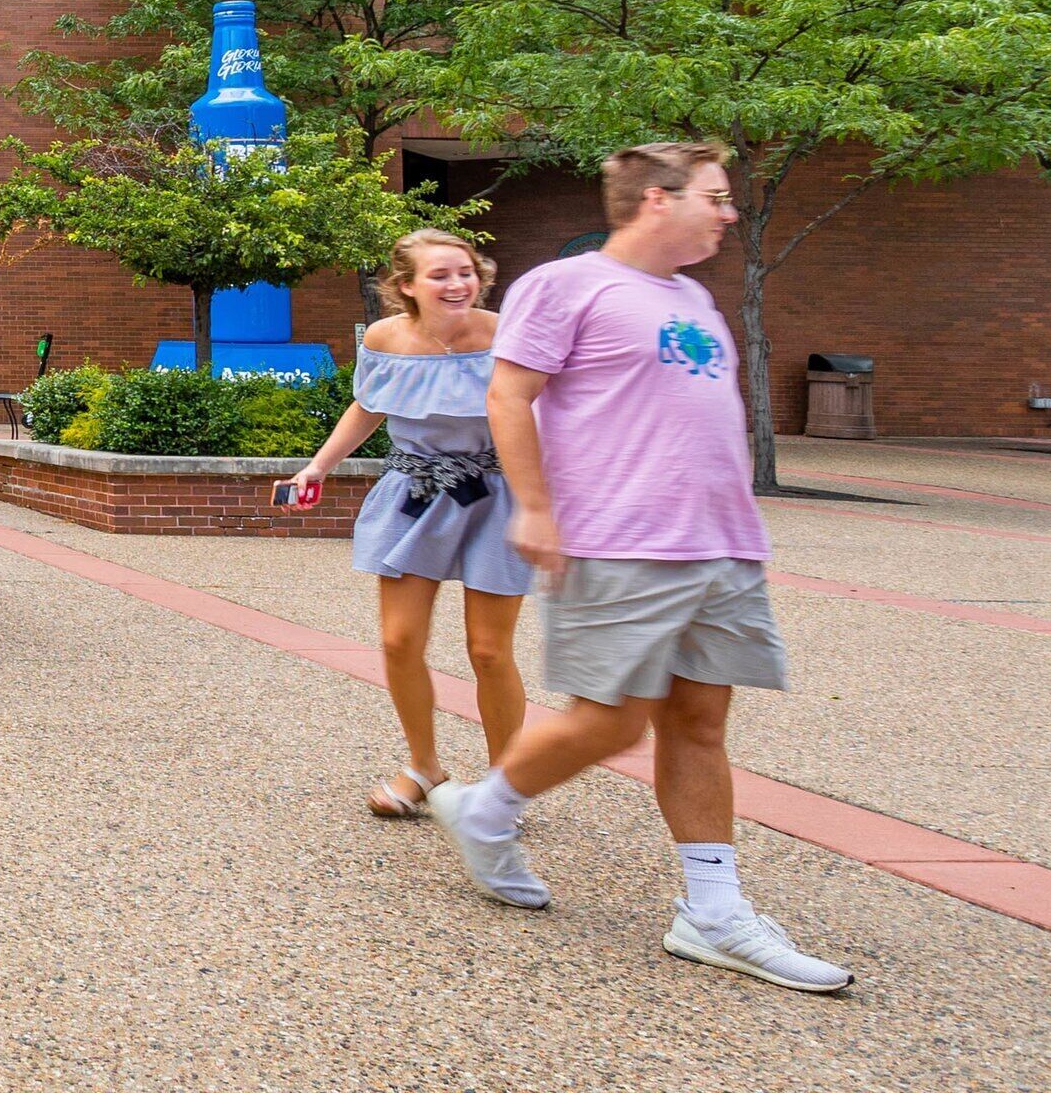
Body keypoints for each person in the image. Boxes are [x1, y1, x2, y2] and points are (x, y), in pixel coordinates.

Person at [428, 143, 852, 994]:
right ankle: (488, 808)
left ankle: (712, 913)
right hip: (621, 536)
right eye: (717, 198)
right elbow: (509, 396)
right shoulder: (566, 284)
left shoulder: (691, 294)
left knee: (699, 721)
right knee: (611, 722)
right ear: (657, 199)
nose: (730, 214)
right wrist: (538, 509)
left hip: (720, 541)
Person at [286, 228, 529, 821]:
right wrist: (319, 465)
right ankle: (425, 766)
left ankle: (504, 787)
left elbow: (545, 408)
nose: (457, 284)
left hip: (496, 492)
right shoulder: (384, 338)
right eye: (441, 275)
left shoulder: (507, 333)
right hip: (415, 491)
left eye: (466, 272)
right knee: (398, 641)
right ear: (406, 287)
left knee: (490, 651)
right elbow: (369, 405)